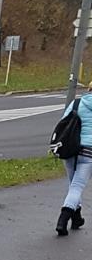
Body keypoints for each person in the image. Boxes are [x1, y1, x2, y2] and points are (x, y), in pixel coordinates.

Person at [56, 81, 92, 236]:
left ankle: (77, 218)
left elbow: (63, 122)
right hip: (89, 153)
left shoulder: (77, 103)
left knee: (73, 185)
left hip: (71, 149)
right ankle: (63, 219)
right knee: (77, 186)